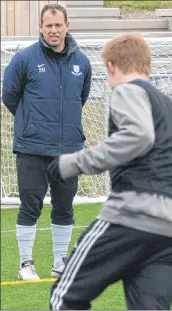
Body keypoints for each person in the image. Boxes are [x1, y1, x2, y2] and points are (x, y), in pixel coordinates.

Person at [46, 33, 172, 310]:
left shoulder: (126, 90)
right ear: (148, 67)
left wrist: (71, 164)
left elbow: (139, 135)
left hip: (132, 217)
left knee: (64, 298)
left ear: (111, 66)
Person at [2, 4, 92, 281]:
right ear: (40, 27)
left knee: (65, 207)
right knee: (31, 205)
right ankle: (26, 263)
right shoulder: (25, 59)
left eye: (58, 25)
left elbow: (82, 97)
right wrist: (32, 123)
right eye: (48, 25)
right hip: (32, 148)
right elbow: (9, 96)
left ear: (67, 25)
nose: (54, 30)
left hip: (69, 150)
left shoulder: (82, 62)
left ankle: (59, 262)